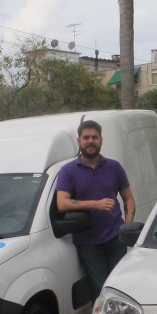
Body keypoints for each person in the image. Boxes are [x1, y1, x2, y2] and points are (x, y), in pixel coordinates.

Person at [56, 120, 135, 302]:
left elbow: (129, 199)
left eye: (94, 137)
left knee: (120, 288)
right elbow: (62, 204)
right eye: (86, 137)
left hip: (116, 238)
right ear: (79, 141)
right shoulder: (68, 171)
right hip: (88, 242)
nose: (90, 141)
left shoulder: (114, 167)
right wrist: (95, 204)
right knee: (100, 291)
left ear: (101, 140)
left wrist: (127, 228)